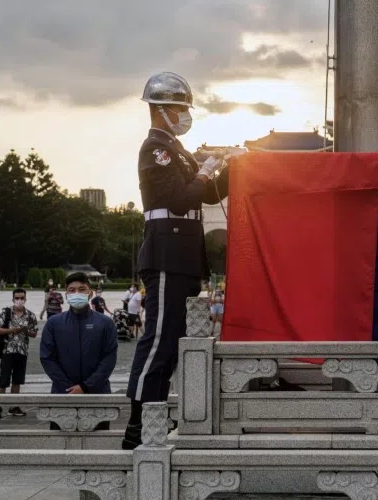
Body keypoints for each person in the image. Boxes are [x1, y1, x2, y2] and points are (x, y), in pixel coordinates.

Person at [123, 71, 234, 449]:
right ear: (161, 110)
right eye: (179, 108)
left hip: (184, 253)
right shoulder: (157, 148)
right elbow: (181, 198)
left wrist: (233, 165)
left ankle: (152, 413)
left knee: (173, 343)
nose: (185, 115)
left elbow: (206, 195)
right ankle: (138, 422)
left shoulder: (176, 150)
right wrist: (204, 170)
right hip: (168, 251)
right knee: (158, 339)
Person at [40, 273, 118, 430]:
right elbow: (47, 358)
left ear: (90, 292)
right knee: (60, 446)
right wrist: (68, 388)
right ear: (66, 294)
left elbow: (109, 358)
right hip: (63, 394)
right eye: (72, 290)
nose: (77, 293)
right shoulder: (54, 323)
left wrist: (86, 387)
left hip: (97, 394)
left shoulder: (105, 323)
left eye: (82, 289)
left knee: (98, 446)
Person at [0, 288, 39, 417]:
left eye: (22, 298)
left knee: (17, 380)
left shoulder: (30, 315)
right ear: (13, 299)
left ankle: (14, 406)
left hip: (22, 351)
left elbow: (34, 333)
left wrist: (25, 331)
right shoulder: (6, 313)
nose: (19, 300)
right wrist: (12, 330)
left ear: (25, 299)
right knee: (3, 380)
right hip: (8, 350)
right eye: (17, 298)